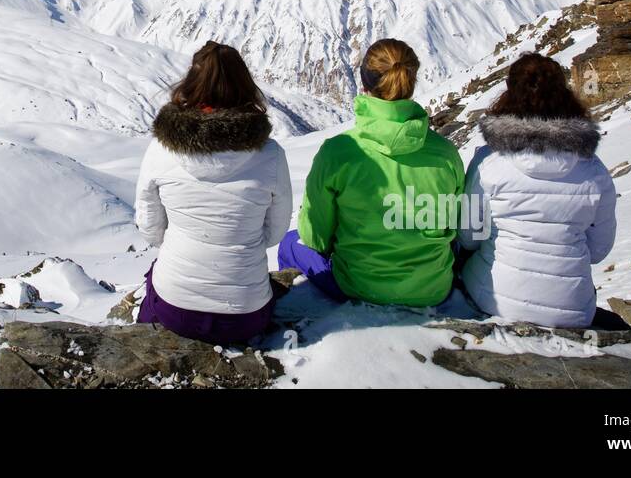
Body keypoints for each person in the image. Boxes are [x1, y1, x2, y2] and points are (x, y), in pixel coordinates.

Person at [278, 39, 464, 307]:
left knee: (289, 243)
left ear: (364, 84)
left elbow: (315, 237)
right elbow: (455, 226)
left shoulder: (339, 152)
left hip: (358, 286)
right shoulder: (446, 155)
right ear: (410, 83)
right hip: (432, 289)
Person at [134, 41, 292, 345]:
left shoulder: (160, 149)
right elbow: (275, 233)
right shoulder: (270, 155)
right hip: (245, 314)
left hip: (175, 308)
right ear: (245, 87)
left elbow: (150, 228)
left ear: (190, 85)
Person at [457, 53, 625, 330]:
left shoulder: (489, 163)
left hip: (494, 298)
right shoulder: (595, 172)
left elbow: (469, 237)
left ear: (509, 95)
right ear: (564, 95)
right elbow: (598, 251)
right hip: (573, 309)